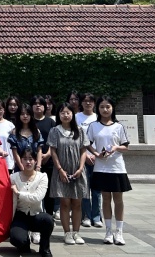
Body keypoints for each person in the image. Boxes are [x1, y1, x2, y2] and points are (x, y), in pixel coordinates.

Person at [87, 96, 132, 246]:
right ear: (98, 109)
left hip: (117, 167)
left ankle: (119, 232)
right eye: (102, 107)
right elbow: (87, 144)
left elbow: (126, 146)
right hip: (101, 167)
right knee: (105, 198)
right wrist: (96, 153)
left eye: (108, 107)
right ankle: (108, 231)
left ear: (112, 108)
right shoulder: (93, 126)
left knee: (118, 199)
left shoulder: (119, 126)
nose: (105, 110)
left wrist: (116, 147)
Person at [47, 102, 90, 245]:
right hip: (61, 171)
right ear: (58, 115)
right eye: (62, 112)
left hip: (78, 171)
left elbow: (83, 150)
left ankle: (76, 232)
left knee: (77, 203)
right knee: (64, 203)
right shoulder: (55, 131)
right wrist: (60, 169)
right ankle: (67, 233)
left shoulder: (80, 130)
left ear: (73, 114)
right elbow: (53, 151)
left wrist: (81, 168)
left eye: (68, 112)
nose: (65, 115)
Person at [9, 147, 54, 257]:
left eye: (31, 159)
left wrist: (18, 193)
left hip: (36, 215)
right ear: (20, 160)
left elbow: (37, 197)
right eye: (25, 159)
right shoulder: (13, 177)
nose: (28, 162)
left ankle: (45, 248)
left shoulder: (42, 177)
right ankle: (25, 243)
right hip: (20, 215)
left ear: (35, 161)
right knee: (17, 239)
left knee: (48, 220)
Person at [76, 92, 102, 228]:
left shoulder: (99, 118)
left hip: (98, 158)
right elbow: (75, 138)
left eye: (90, 101)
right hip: (82, 158)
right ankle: (86, 216)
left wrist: (96, 155)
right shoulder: (76, 117)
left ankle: (96, 216)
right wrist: (85, 155)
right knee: (84, 188)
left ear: (94, 103)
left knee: (97, 190)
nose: (88, 103)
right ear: (81, 103)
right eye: (85, 101)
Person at [31, 95, 56, 217]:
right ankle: (34, 215)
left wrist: (48, 154)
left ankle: (49, 216)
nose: (38, 106)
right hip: (31, 161)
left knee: (49, 190)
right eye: (35, 103)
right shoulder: (29, 121)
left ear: (45, 106)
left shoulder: (50, 122)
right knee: (33, 189)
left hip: (48, 160)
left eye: (40, 104)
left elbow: (55, 140)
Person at [9, 103, 43, 172]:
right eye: (22, 114)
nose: (25, 116)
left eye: (27, 114)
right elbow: (15, 152)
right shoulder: (14, 132)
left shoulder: (36, 131)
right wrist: (22, 168)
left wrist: (38, 166)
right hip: (20, 169)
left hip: (35, 168)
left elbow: (39, 150)